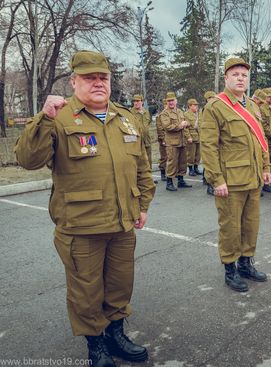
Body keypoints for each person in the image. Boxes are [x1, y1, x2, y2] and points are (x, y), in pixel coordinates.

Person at [14, 50, 155, 366]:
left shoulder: (126, 118)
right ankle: (96, 346)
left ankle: (115, 335)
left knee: (120, 285)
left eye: (102, 77)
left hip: (122, 225)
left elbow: (143, 167)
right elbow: (28, 159)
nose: (97, 83)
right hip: (81, 228)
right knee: (86, 292)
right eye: (89, 77)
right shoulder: (60, 118)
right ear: (74, 81)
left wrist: (144, 204)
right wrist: (44, 118)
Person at [200, 57, 271, 292]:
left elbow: (260, 142)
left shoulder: (252, 106)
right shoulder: (215, 107)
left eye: (244, 75)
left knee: (251, 225)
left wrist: (266, 167)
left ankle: (246, 263)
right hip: (230, 181)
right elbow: (209, 147)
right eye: (236, 75)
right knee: (231, 227)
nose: (241, 78)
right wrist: (216, 179)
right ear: (226, 78)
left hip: (252, 178)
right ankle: (230, 269)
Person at [158, 92, 193, 191]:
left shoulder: (180, 111)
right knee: (172, 162)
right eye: (169, 101)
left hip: (182, 141)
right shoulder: (165, 113)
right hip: (172, 142)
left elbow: (186, 124)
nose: (171, 102)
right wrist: (180, 125)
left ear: (176, 101)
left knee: (183, 162)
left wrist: (187, 124)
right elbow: (167, 127)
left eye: (172, 100)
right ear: (166, 102)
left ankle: (181, 180)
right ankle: (169, 182)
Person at [201, 91, 217, 196]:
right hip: (207, 138)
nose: (211, 99)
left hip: (215, 138)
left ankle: (207, 180)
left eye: (213, 97)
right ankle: (210, 186)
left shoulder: (215, 108)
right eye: (209, 98)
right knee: (210, 161)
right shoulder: (206, 109)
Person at [183, 98, 201, 176]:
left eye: (196, 105)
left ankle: (196, 168)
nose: (196, 106)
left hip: (199, 137)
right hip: (191, 137)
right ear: (190, 106)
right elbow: (185, 128)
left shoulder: (199, 114)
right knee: (191, 154)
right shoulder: (186, 114)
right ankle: (191, 169)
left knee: (198, 154)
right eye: (194, 105)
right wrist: (188, 137)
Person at [157, 98, 168, 181]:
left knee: (171, 157)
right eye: (166, 104)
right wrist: (163, 139)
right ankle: (163, 173)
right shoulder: (161, 115)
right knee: (164, 157)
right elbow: (160, 129)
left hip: (172, 139)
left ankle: (170, 173)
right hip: (164, 140)